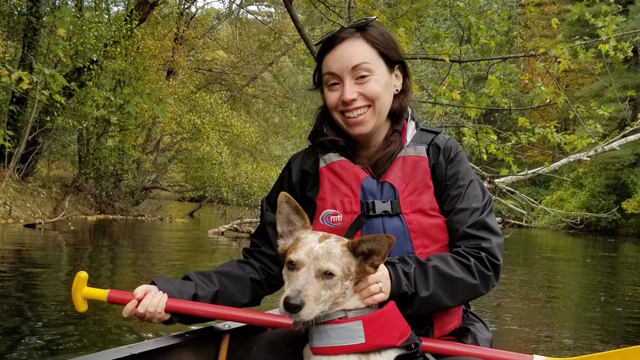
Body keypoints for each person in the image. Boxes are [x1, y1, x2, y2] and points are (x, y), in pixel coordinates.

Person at [122, 18, 503, 360]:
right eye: (333, 84)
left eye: (362, 77)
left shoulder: (442, 157)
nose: (348, 95)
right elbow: (259, 269)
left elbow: (482, 260)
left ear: (396, 78)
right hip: (332, 334)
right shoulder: (305, 169)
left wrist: (398, 278)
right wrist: (174, 296)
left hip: (436, 338)